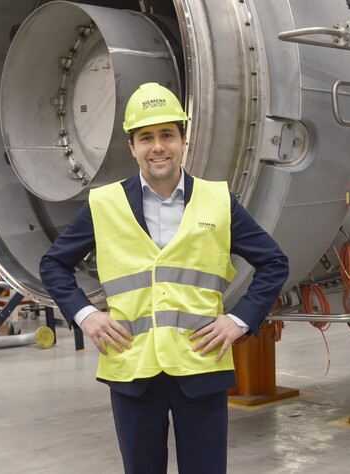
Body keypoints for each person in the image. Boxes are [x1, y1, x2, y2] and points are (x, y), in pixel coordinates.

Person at [39, 82, 289, 474]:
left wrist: (239, 320)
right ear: (132, 146)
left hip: (200, 366)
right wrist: (87, 316)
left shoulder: (217, 201)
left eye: (167, 135)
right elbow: (54, 264)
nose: (158, 147)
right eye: (146, 137)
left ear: (183, 140)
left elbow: (273, 262)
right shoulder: (104, 204)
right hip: (132, 371)